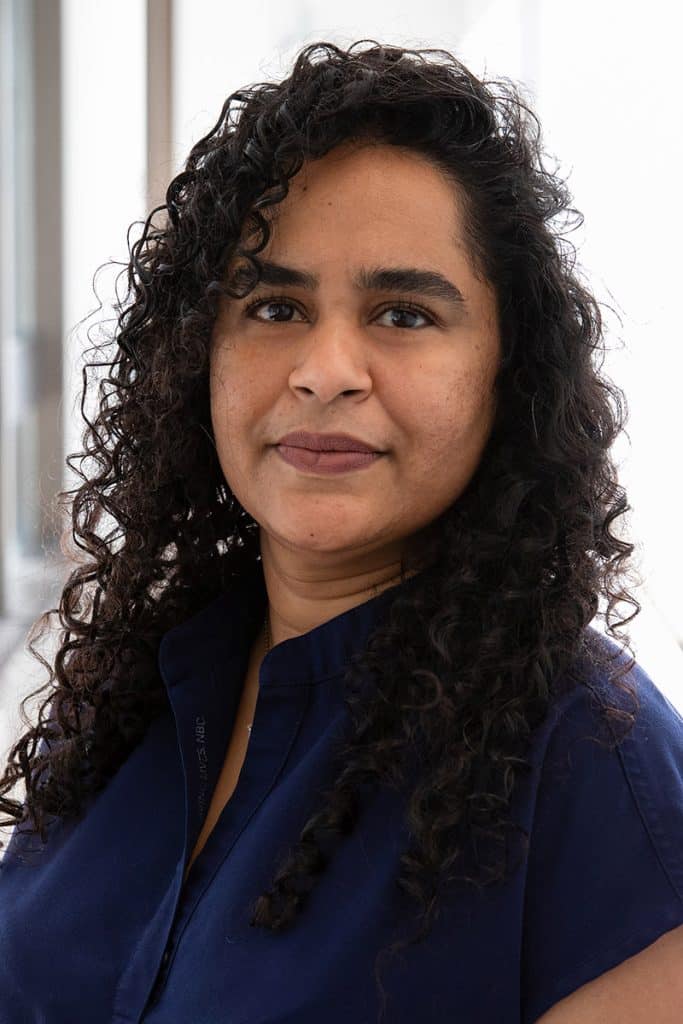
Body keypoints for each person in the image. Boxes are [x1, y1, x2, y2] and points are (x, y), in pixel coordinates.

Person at [0, 38, 681, 1024]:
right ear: (200, 351)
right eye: (274, 305)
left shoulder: (598, 772)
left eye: (402, 315)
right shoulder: (132, 690)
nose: (323, 370)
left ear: (507, 374)